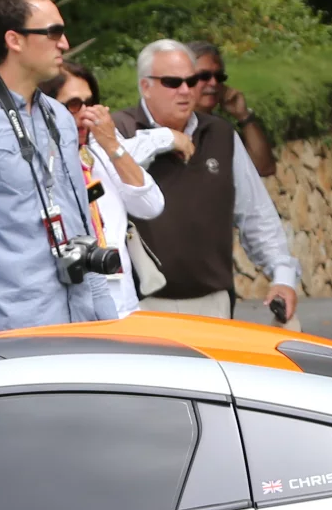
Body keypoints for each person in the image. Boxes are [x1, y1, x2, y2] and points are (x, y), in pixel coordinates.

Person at [0, 0, 119, 338]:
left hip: (80, 322)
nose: (64, 44)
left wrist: (106, 321)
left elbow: (84, 230)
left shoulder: (61, 118)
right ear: (14, 40)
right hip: (14, 333)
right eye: (53, 32)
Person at [112, 39, 301, 323]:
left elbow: (256, 214)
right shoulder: (119, 130)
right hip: (142, 306)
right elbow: (112, 165)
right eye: (173, 82)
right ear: (145, 86)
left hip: (213, 302)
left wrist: (283, 275)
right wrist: (163, 139)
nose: (186, 91)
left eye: (191, 80)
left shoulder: (221, 134)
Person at [50, 60, 164, 316]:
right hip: (69, 306)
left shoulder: (101, 150)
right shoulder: (39, 163)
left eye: (90, 103)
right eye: (73, 105)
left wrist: (112, 144)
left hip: (122, 301)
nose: (86, 114)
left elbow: (151, 206)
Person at [186, 39, 274, 178]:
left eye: (219, 76)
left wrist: (244, 116)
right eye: (204, 76)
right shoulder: (165, 128)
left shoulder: (220, 130)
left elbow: (264, 168)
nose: (214, 83)